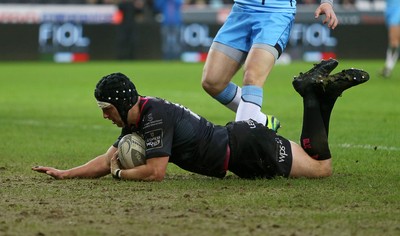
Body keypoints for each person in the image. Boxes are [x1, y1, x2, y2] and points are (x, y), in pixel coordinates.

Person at [32, 59, 369, 181]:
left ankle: (314, 97)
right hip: (243, 145)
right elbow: (107, 160)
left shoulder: (154, 117)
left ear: (122, 103)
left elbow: (155, 172)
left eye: (106, 108)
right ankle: (323, 96)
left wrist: (120, 173)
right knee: (316, 160)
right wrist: (65, 174)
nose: (105, 115)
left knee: (321, 169)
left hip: (247, 149)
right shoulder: (138, 117)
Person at [201, 0, 338, 131]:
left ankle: (241, 142)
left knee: (252, 76)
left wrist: (326, 2)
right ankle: (261, 121)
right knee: (212, 81)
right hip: (240, 11)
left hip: (275, 14)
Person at [380, 0, 400, 78]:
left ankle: (388, 67)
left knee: (394, 41)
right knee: (394, 41)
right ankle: (388, 67)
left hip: (397, 9)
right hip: (389, 10)